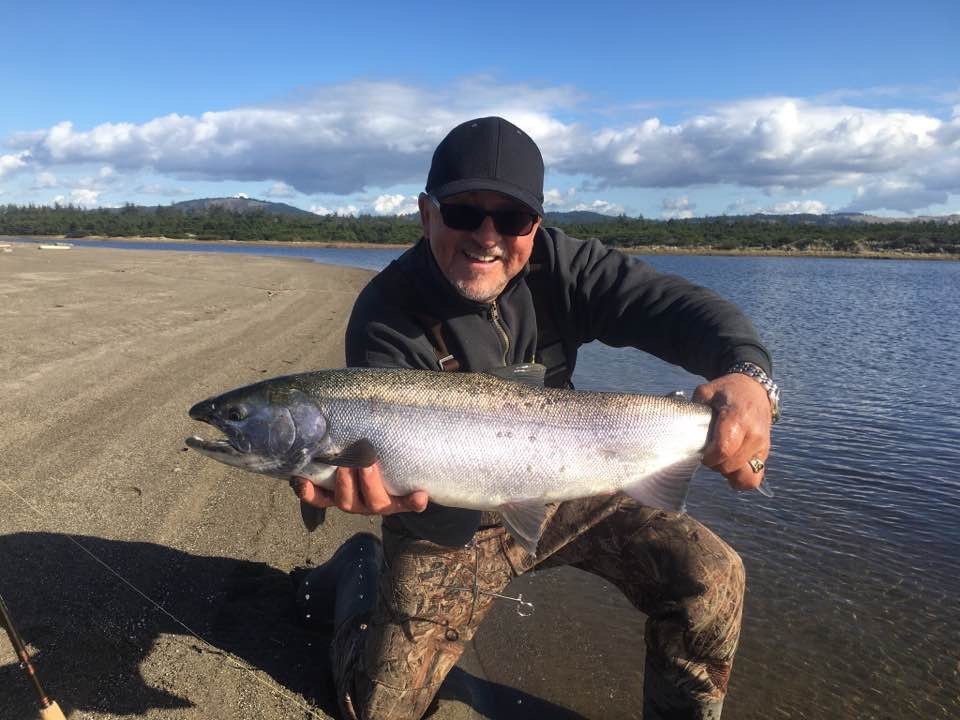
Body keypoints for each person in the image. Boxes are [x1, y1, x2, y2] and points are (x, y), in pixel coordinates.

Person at [291, 116, 779, 720]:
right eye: (463, 213)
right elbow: (407, 489)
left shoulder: (564, 267)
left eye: (512, 219)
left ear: (537, 225)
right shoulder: (386, 316)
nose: (486, 237)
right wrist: (377, 495)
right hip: (449, 514)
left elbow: (673, 307)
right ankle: (358, 574)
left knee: (710, 577)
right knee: (376, 712)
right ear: (426, 214)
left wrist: (749, 377)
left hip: (569, 480)